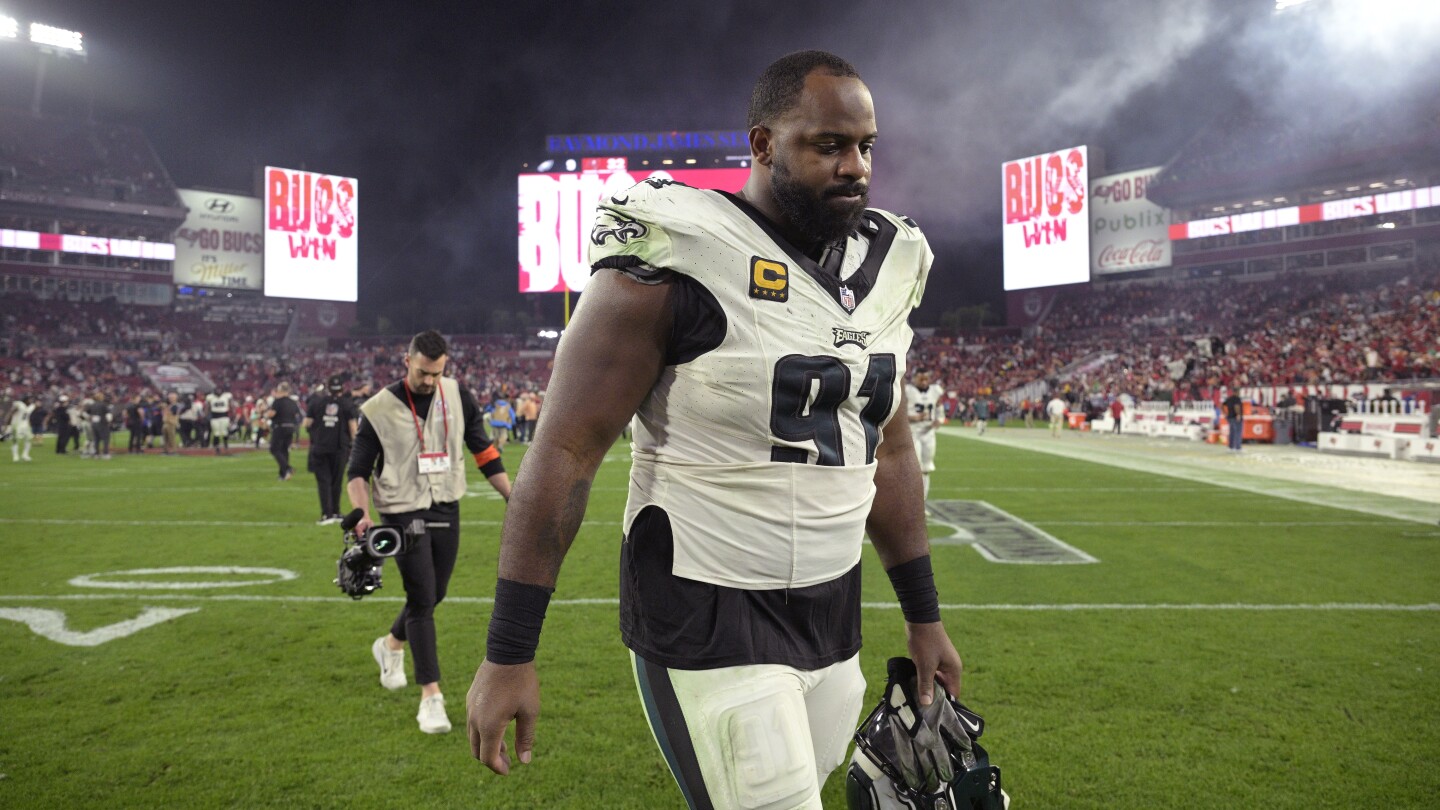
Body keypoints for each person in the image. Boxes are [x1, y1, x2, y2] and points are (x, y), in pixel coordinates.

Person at [465, 51, 963, 809]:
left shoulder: (893, 263)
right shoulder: (675, 255)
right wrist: (509, 651)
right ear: (763, 144)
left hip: (833, 611)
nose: (854, 166)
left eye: (865, 146)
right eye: (827, 144)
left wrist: (923, 617)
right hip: (704, 608)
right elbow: (565, 451)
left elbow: (888, 451)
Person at [347, 330, 512, 734]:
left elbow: (484, 451)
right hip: (402, 510)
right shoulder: (378, 408)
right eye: (423, 372)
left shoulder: (457, 394)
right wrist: (362, 513)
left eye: (437, 373)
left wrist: (513, 495)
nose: (430, 381)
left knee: (436, 593)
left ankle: (389, 645)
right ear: (408, 361)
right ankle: (431, 697)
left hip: (446, 504)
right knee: (422, 598)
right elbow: (357, 472)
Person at [304, 375, 358, 525]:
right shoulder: (347, 404)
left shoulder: (317, 402)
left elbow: (307, 423)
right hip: (340, 448)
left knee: (323, 482)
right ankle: (335, 511)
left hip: (320, 446)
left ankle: (326, 514)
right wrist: (355, 446)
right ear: (342, 388)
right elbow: (353, 428)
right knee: (337, 481)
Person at [905, 369, 945, 500]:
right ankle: (912, 502)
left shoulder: (935, 391)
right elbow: (897, 413)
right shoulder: (908, 391)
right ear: (915, 379)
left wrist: (939, 420)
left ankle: (922, 502)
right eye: (921, 379)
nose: (924, 382)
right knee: (915, 468)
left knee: (926, 469)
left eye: (926, 379)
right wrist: (913, 417)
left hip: (928, 433)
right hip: (913, 432)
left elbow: (939, 406)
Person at [267, 383, 302, 480]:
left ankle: (287, 468)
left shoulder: (278, 401)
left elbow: (271, 414)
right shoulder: (293, 402)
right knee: (284, 450)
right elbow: (297, 415)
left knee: (274, 449)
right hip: (291, 427)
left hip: (280, 427)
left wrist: (266, 413)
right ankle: (283, 474)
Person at [206, 385, 235, 455]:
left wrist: (233, 413)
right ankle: (217, 447)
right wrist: (206, 415)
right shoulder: (210, 397)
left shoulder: (226, 396)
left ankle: (226, 446)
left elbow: (231, 405)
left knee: (225, 432)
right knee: (216, 433)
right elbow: (207, 407)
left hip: (224, 416)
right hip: (215, 416)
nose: (218, 392)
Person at [8, 395, 35, 462]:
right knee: (15, 440)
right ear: (25, 400)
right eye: (29, 399)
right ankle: (15, 456)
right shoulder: (19, 404)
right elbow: (11, 412)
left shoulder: (31, 406)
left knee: (28, 439)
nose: (30, 401)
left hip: (25, 424)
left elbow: (28, 416)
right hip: (17, 424)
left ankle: (25, 455)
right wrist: (8, 424)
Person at [1222, 387, 1244, 452]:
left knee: (1232, 432)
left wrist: (1224, 413)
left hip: (1230, 417)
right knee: (1238, 432)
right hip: (1235, 418)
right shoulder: (1237, 399)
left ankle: (1231, 447)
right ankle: (1238, 447)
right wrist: (1238, 414)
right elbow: (1236, 406)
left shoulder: (1229, 399)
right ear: (1236, 392)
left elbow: (1221, 405)